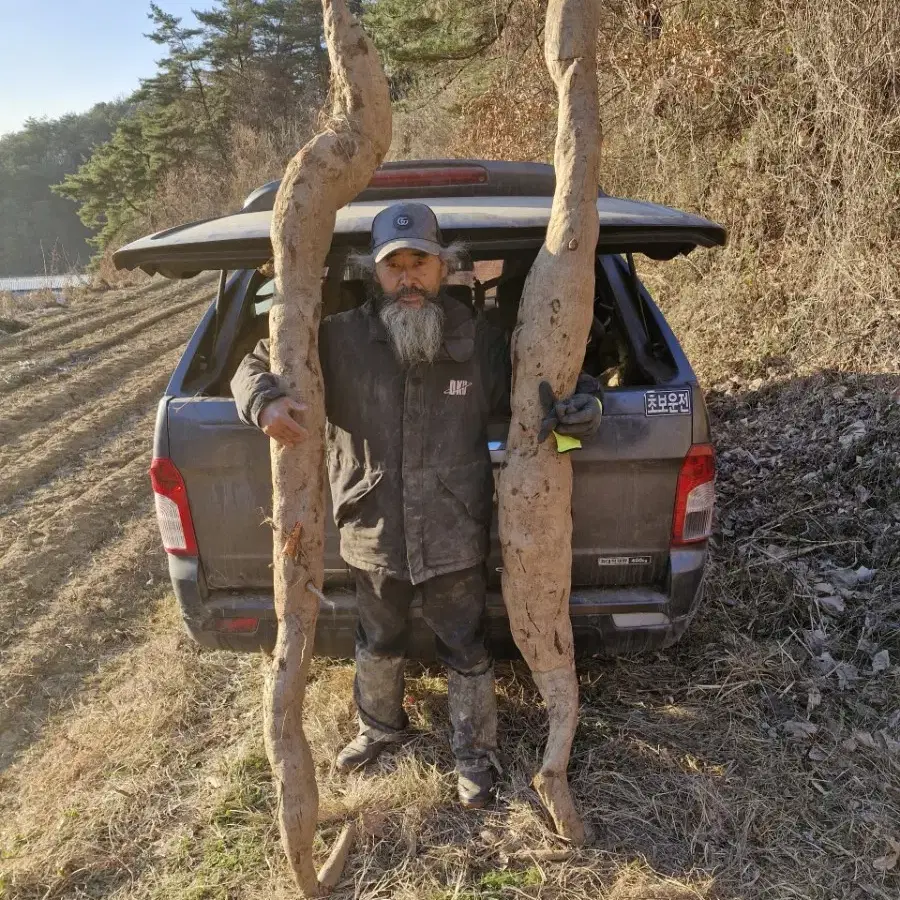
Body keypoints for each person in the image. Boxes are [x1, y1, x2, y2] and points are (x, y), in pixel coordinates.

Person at [231, 202, 602, 808]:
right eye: (393, 266)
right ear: (373, 272)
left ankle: (473, 756)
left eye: (420, 264)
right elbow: (250, 365)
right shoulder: (337, 338)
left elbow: (557, 373)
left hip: (455, 525)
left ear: (444, 267)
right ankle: (378, 728)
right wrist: (264, 402)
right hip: (371, 527)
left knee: (463, 641)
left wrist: (587, 405)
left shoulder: (481, 341)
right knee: (377, 635)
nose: (407, 278)